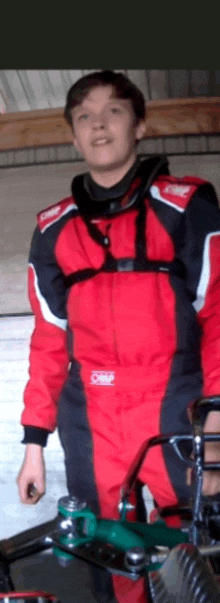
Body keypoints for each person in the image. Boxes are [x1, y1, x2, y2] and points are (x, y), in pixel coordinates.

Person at [17, 70, 220, 603]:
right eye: (84, 115)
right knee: (106, 551)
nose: (98, 124)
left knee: (196, 548)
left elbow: (219, 315)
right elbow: (48, 340)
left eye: (113, 111)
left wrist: (218, 418)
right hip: (89, 417)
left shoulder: (186, 206)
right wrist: (34, 443)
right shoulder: (53, 228)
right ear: (72, 134)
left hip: (176, 403)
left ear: (141, 126)